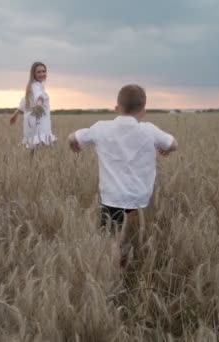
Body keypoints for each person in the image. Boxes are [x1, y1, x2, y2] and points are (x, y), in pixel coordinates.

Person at [67, 84, 178, 273]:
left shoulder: (101, 128)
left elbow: (72, 137)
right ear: (143, 111)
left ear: (116, 108)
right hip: (141, 200)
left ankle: (114, 274)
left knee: (112, 241)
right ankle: (134, 272)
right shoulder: (149, 130)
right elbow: (173, 143)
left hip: (112, 198)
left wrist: (73, 145)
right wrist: (165, 149)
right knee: (138, 240)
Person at [10, 62, 57, 150]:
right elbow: (39, 96)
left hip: (31, 121)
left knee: (33, 148)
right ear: (33, 73)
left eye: (44, 71)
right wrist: (39, 104)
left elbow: (25, 100)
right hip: (39, 122)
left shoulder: (32, 85)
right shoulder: (36, 86)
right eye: (38, 72)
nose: (42, 74)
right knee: (40, 146)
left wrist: (15, 114)